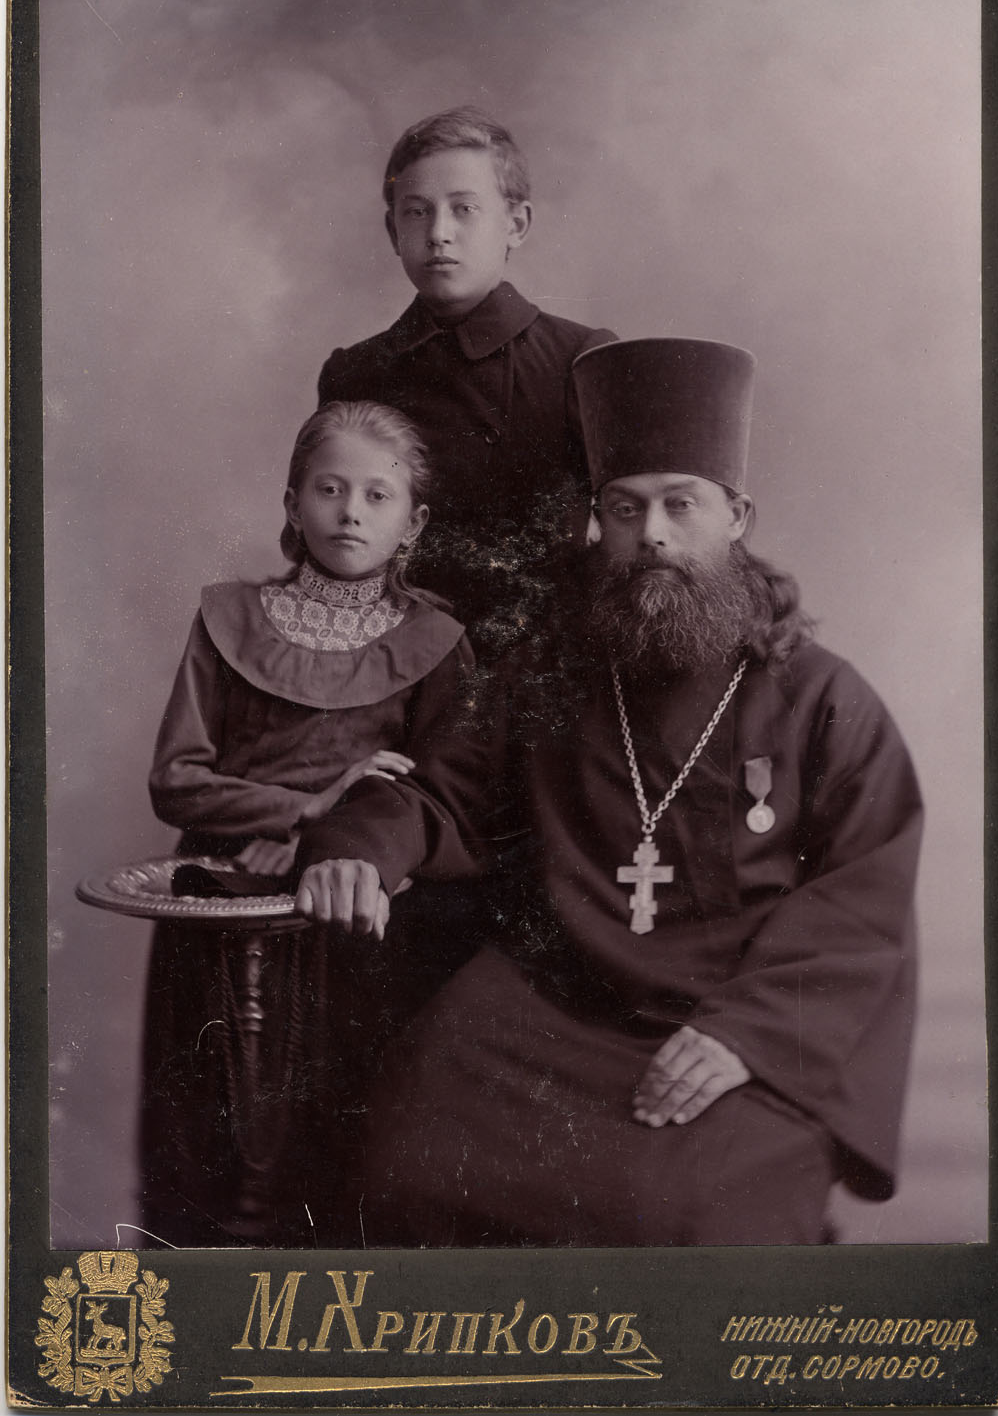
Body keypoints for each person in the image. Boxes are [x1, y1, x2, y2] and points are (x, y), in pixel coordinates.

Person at [295, 338, 924, 1248]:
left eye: (680, 503)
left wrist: (750, 1033)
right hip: (552, 1008)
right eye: (625, 508)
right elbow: (445, 797)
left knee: (690, 1214)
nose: (652, 534)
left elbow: (866, 889)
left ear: (736, 515)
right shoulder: (547, 671)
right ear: (599, 522)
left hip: (731, 1019)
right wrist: (360, 845)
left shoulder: (823, 696)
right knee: (404, 1161)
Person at [141, 400, 481, 1247]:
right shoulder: (227, 617)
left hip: (349, 923)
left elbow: (443, 799)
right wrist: (304, 805)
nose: (350, 511)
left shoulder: (437, 641)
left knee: (329, 1150)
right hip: (219, 909)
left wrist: (339, 834)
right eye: (329, 489)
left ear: (414, 522)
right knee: (209, 1142)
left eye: (377, 495)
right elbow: (175, 780)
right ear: (293, 503)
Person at [316, 105, 616, 658]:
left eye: (464, 209)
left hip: (538, 662)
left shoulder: (578, 359)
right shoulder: (355, 372)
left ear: (516, 225)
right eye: (417, 212)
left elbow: (630, 526)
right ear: (393, 231)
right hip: (390, 658)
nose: (438, 234)